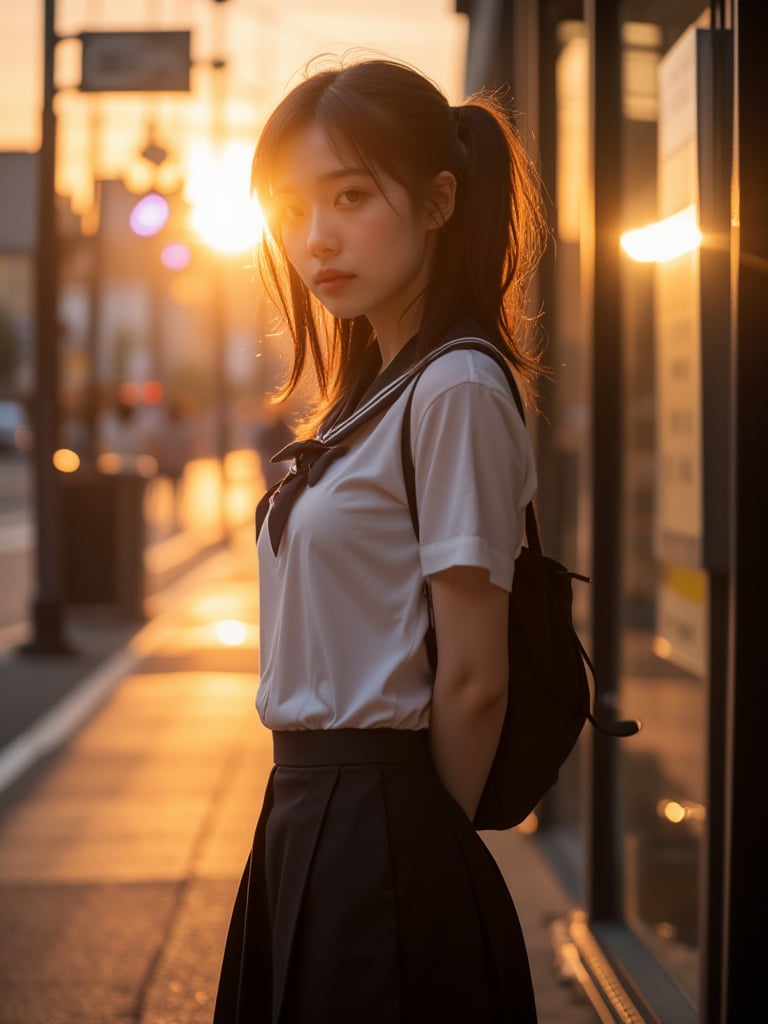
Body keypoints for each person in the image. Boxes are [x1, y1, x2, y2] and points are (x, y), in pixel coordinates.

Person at [213, 56, 547, 1023]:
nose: (315, 238)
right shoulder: (371, 395)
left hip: (382, 832)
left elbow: (476, 676)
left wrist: (412, 852)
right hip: (307, 813)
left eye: (351, 195)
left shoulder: (456, 389)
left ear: (440, 201)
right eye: (289, 207)